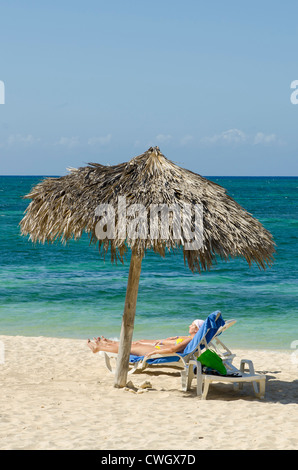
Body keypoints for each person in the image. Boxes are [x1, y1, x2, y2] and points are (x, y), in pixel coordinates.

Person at [87, 319, 204, 358]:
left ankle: (99, 347)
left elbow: (173, 350)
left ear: (197, 329)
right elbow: (179, 341)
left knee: (132, 347)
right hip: (161, 348)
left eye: (192, 325)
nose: (189, 326)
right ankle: (104, 345)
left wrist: (156, 351)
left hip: (162, 352)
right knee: (136, 344)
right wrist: (177, 337)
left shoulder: (190, 339)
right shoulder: (191, 338)